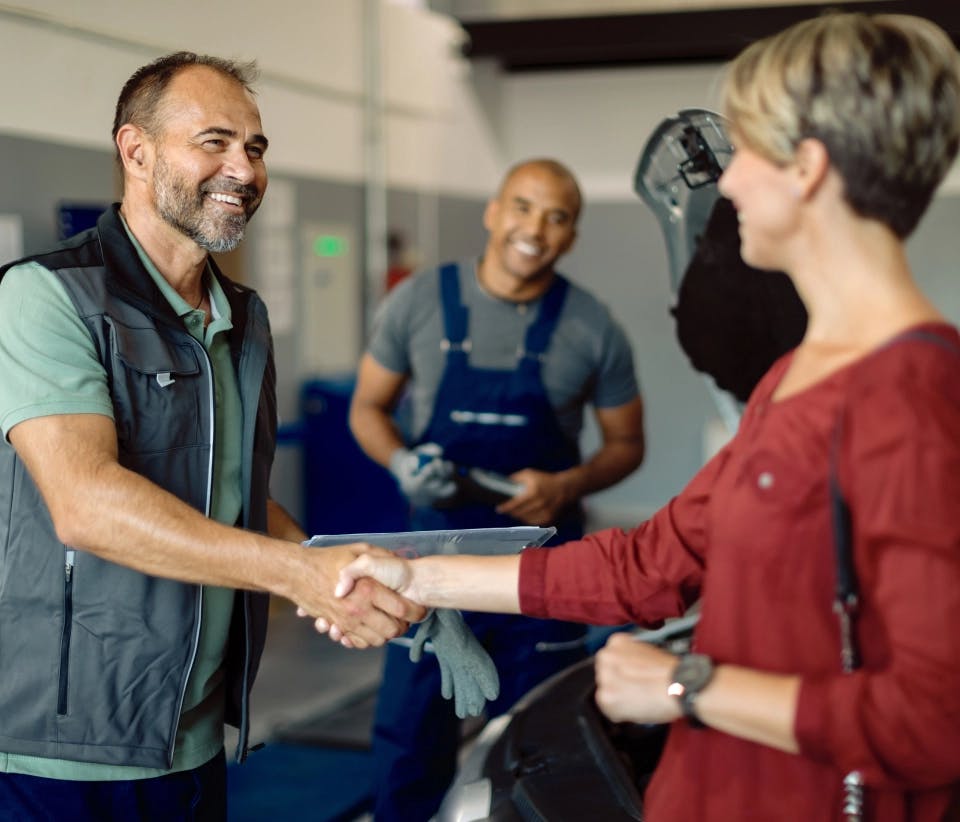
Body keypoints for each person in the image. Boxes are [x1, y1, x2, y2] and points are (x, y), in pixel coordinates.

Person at [333, 13, 960, 820]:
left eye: (747, 155)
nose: (727, 186)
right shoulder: (790, 383)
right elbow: (647, 567)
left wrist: (687, 684)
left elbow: (934, 722)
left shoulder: (913, 398)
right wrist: (414, 576)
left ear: (806, 168)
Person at [0, 52, 421, 821]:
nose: (244, 169)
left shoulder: (243, 315)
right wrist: (290, 576)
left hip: (194, 738)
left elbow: (231, 494)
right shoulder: (45, 295)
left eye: (255, 147)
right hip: (65, 749)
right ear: (137, 151)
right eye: (215, 141)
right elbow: (85, 505)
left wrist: (362, 583)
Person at [348, 158, 645, 820]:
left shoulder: (593, 328)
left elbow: (628, 445)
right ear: (492, 210)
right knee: (407, 749)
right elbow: (367, 409)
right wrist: (400, 461)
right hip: (424, 575)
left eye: (557, 216)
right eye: (522, 206)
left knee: (541, 751)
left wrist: (568, 482)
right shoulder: (418, 302)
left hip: (540, 579)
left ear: (571, 236)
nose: (534, 228)